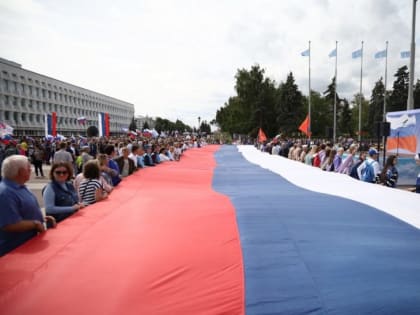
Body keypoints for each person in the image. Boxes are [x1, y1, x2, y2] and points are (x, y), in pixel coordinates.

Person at [0, 155, 56, 256]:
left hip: (27, 244)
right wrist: (35, 223)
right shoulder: (5, 193)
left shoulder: (19, 187)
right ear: (21, 171)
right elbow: (9, 224)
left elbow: (19, 211)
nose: (31, 170)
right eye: (29, 168)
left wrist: (41, 218)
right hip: (14, 251)